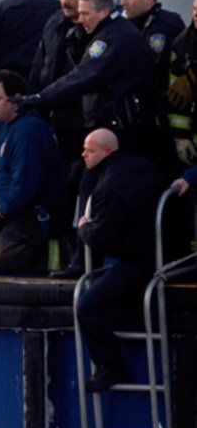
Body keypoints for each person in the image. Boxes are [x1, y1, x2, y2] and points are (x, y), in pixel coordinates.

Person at [17, 0, 156, 162]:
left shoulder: (113, 37)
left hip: (125, 124)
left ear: (104, 11)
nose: (79, 20)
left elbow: (86, 75)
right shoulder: (109, 31)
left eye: (85, 14)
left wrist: (41, 98)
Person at [74, 129, 165, 392]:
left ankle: (111, 366)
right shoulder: (143, 167)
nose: (83, 155)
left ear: (107, 152)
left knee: (87, 305)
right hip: (167, 251)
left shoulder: (107, 189)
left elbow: (103, 238)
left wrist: (83, 227)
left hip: (138, 260)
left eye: (89, 150)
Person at [0, 71, 69, 273]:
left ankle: (51, 251)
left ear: (17, 98)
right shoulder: (8, 127)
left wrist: (3, 213)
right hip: (16, 208)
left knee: (1, 261)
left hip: (34, 211)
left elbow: (25, 180)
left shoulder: (28, 131)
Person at [120, 0, 184, 171]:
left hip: (161, 111)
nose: (123, 2)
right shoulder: (126, 26)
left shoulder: (165, 25)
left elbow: (152, 66)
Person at [170, 0, 197, 168]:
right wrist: (181, 136)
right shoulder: (184, 43)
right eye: (195, 9)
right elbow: (176, 97)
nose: (196, 15)